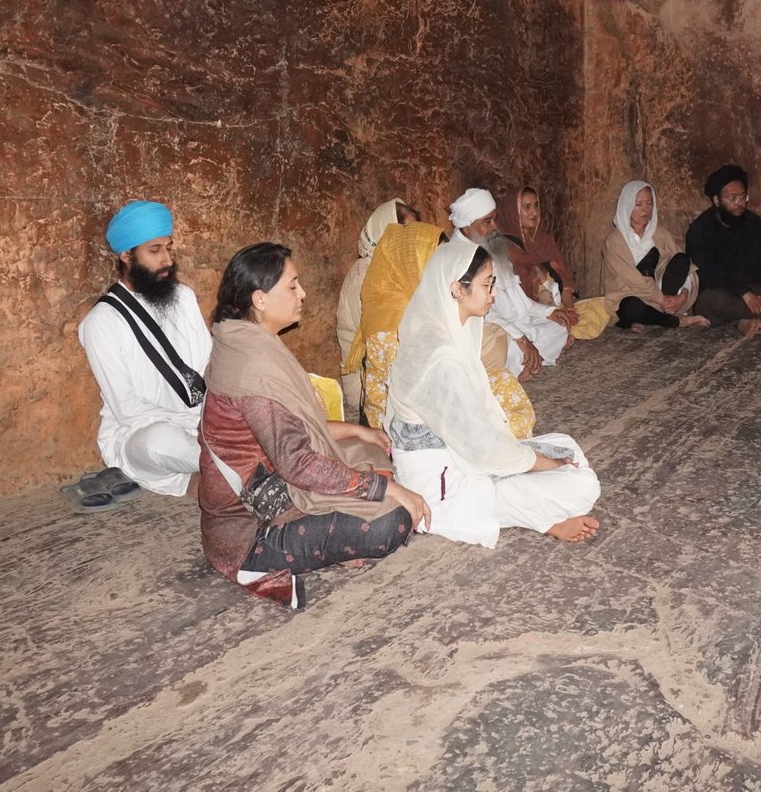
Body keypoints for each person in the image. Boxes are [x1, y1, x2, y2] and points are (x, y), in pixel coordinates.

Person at [198, 243, 430, 607]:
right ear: (260, 299)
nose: (302, 293)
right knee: (392, 521)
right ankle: (302, 550)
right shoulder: (252, 369)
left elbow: (294, 429)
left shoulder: (247, 342)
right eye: (292, 286)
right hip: (251, 529)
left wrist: (356, 429)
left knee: (371, 449)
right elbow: (297, 463)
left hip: (280, 485)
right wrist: (382, 490)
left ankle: (340, 530)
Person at [386, 237, 601, 547]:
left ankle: (534, 505)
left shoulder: (442, 330)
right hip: (443, 486)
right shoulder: (441, 357)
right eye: (488, 285)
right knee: (582, 485)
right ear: (458, 289)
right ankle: (545, 519)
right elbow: (484, 449)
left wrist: (539, 460)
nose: (495, 294)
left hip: (460, 456)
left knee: (565, 446)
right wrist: (547, 465)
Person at [347, 220, 538, 440]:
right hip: (409, 426)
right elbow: (422, 397)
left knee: (500, 382)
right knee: (497, 418)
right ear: (411, 264)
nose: (442, 269)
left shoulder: (420, 300)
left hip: (439, 395)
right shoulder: (390, 325)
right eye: (434, 261)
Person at [77, 201, 211, 496]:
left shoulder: (184, 297)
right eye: (154, 250)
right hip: (142, 431)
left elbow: (207, 366)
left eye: (169, 247)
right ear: (126, 255)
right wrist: (194, 423)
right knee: (158, 442)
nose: (167, 259)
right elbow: (127, 409)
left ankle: (219, 476)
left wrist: (217, 416)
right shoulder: (101, 322)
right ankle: (231, 468)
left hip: (205, 421)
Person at [450, 188, 572, 378]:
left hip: (517, 324)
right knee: (510, 349)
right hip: (491, 330)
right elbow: (485, 316)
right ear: (467, 228)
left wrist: (549, 312)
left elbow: (520, 300)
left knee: (559, 326)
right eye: (487, 222)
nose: (495, 227)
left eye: (495, 219)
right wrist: (521, 339)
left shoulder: (492, 248)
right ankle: (523, 363)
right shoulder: (460, 259)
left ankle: (528, 361)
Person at [336, 198, 418, 423]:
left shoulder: (397, 270)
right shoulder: (364, 276)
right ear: (384, 231)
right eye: (403, 232)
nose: (408, 240)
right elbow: (379, 344)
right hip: (368, 386)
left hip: (394, 372)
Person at [496, 186, 613, 340]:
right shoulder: (504, 246)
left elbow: (565, 279)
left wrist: (570, 309)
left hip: (556, 303)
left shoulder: (544, 239)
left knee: (604, 307)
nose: (534, 212)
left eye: (536, 205)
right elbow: (513, 297)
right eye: (526, 207)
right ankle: (560, 332)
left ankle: (565, 328)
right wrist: (549, 310)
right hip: (528, 311)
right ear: (512, 211)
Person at [684, 165, 761, 337]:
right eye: (732, 198)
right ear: (717, 200)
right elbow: (709, 271)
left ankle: (755, 319)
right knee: (709, 301)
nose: (739, 203)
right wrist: (744, 293)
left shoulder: (753, 222)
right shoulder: (701, 229)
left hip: (760, 290)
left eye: (742, 196)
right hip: (730, 294)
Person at [601, 180, 708, 330]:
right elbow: (633, 280)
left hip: (662, 294)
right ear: (626, 206)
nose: (646, 209)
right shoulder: (614, 241)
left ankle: (653, 316)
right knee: (630, 307)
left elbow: (685, 267)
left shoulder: (659, 233)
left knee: (682, 259)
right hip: (631, 294)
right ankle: (677, 321)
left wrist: (682, 295)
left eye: (649, 203)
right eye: (638, 204)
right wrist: (660, 299)